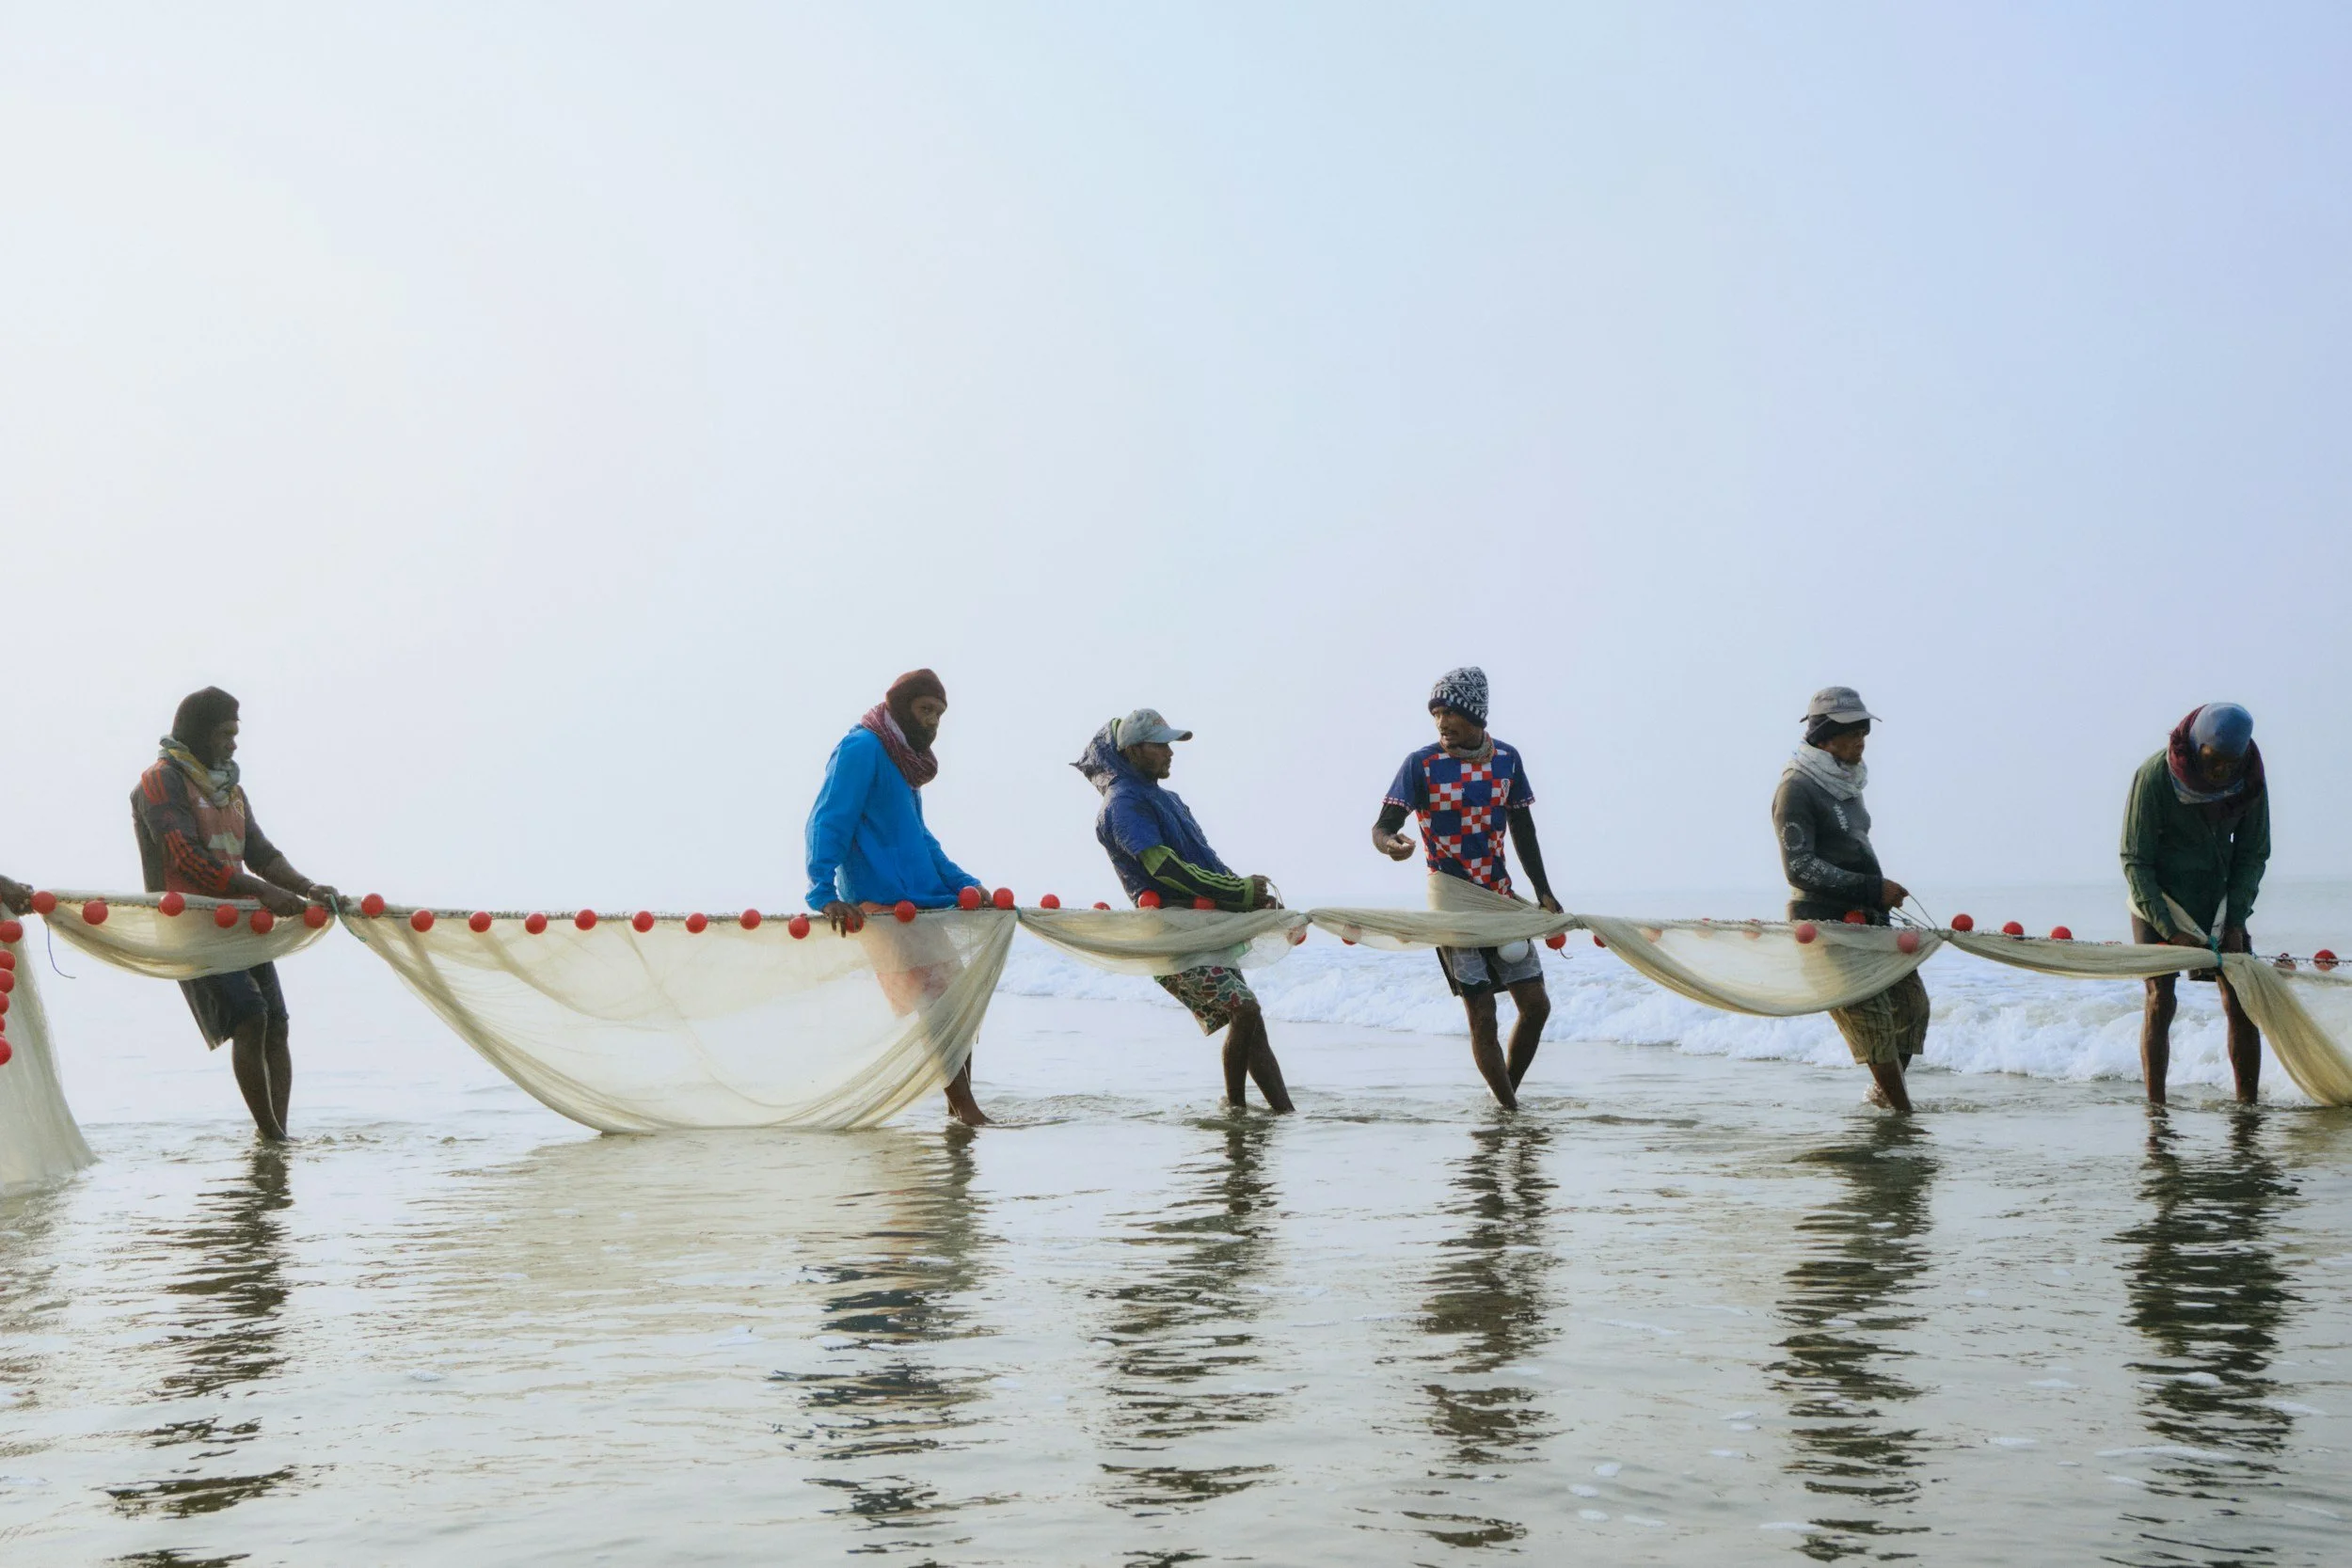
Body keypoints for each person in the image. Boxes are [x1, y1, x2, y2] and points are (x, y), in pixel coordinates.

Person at [132, 688, 336, 1140]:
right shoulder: (159, 782)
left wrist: (305, 887)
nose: (233, 743)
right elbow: (185, 858)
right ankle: (272, 1137)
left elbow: (259, 852)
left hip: (242, 925)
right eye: (226, 733)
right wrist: (263, 892)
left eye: (235, 734)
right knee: (250, 1017)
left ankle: (277, 1136)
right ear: (199, 733)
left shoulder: (231, 787)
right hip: (195, 924)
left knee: (276, 1025)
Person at [1074, 709, 1294, 1113]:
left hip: (1204, 927)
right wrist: (1239, 892)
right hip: (1170, 933)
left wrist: (1248, 895)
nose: (1169, 753)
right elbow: (1166, 869)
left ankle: (1284, 1113)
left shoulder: (1168, 800)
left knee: (1252, 1025)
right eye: (1160, 745)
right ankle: (1236, 1111)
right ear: (1134, 750)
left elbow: (1205, 861)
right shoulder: (1122, 805)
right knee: (1244, 1009)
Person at [805, 669, 992, 1125]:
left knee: (958, 1006)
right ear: (899, 707)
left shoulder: (902, 761)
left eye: (939, 714)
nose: (932, 722)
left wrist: (964, 884)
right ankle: (966, 1111)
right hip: (880, 905)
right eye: (925, 710)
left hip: (918, 902)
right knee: (936, 1007)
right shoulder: (863, 748)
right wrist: (822, 891)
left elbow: (920, 839)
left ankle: (957, 1109)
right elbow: (828, 818)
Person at [1371, 667, 1560, 1109]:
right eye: (1435, 713)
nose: (1441, 722)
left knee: (1536, 1007)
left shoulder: (1507, 760)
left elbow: (1523, 828)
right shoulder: (1421, 764)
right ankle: (1511, 1111)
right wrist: (1390, 844)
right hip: (1453, 902)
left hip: (1498, 896)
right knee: (1482, 1016)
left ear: (1475, 715)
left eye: (1449, 712)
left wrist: (1544, 892)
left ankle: (1504, 1099)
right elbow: (1383, 825)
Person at [1771, 686, 1927, 1115]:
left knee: (1912, 1005)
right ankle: (1902, 1118)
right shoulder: (1797, 788)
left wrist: (1876, 898)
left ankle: (1883, 1101)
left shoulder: (1847, 781)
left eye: (1864, 731)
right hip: (1825, 925)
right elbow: (1798, 867)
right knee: (1872, 1020)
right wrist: (1872, 889)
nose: (1861, 740)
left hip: (1869, 921)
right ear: (1823, 736)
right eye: (1852, 732)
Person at [2122, 702, 2270, 1106]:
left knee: (2240, 999)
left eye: (2230, 763)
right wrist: (2170, 930)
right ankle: (2157, 1111)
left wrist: (2236, 919)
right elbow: (2135, 859)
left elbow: (2253, 854)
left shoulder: (2250, 779)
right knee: (2160, 998)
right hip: (2159, 898)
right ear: (2196, 745)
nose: (2221, 772)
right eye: (2213, 760)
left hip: (2218, 899)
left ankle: (2247, 1112)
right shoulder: (2156, 776)